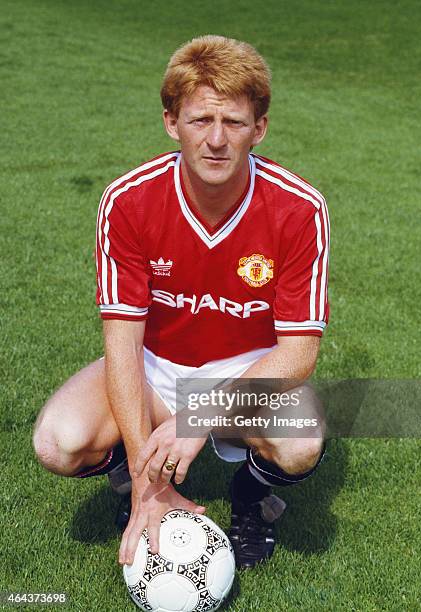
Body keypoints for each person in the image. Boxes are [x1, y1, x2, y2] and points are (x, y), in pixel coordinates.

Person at [33, 35, 329, 570]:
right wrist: (151, 484)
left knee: (302, 440)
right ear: (172, 122)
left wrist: (197, 416)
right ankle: (137, 476)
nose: (216, 140)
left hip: (246, 376)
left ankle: (249, 497)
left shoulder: (298, 208)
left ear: (258, 128)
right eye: (199, 121)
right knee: (59, 442)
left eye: (234, 123)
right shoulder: (129, 200)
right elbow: (122, 346)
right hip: (155, 369)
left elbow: (299, 354)